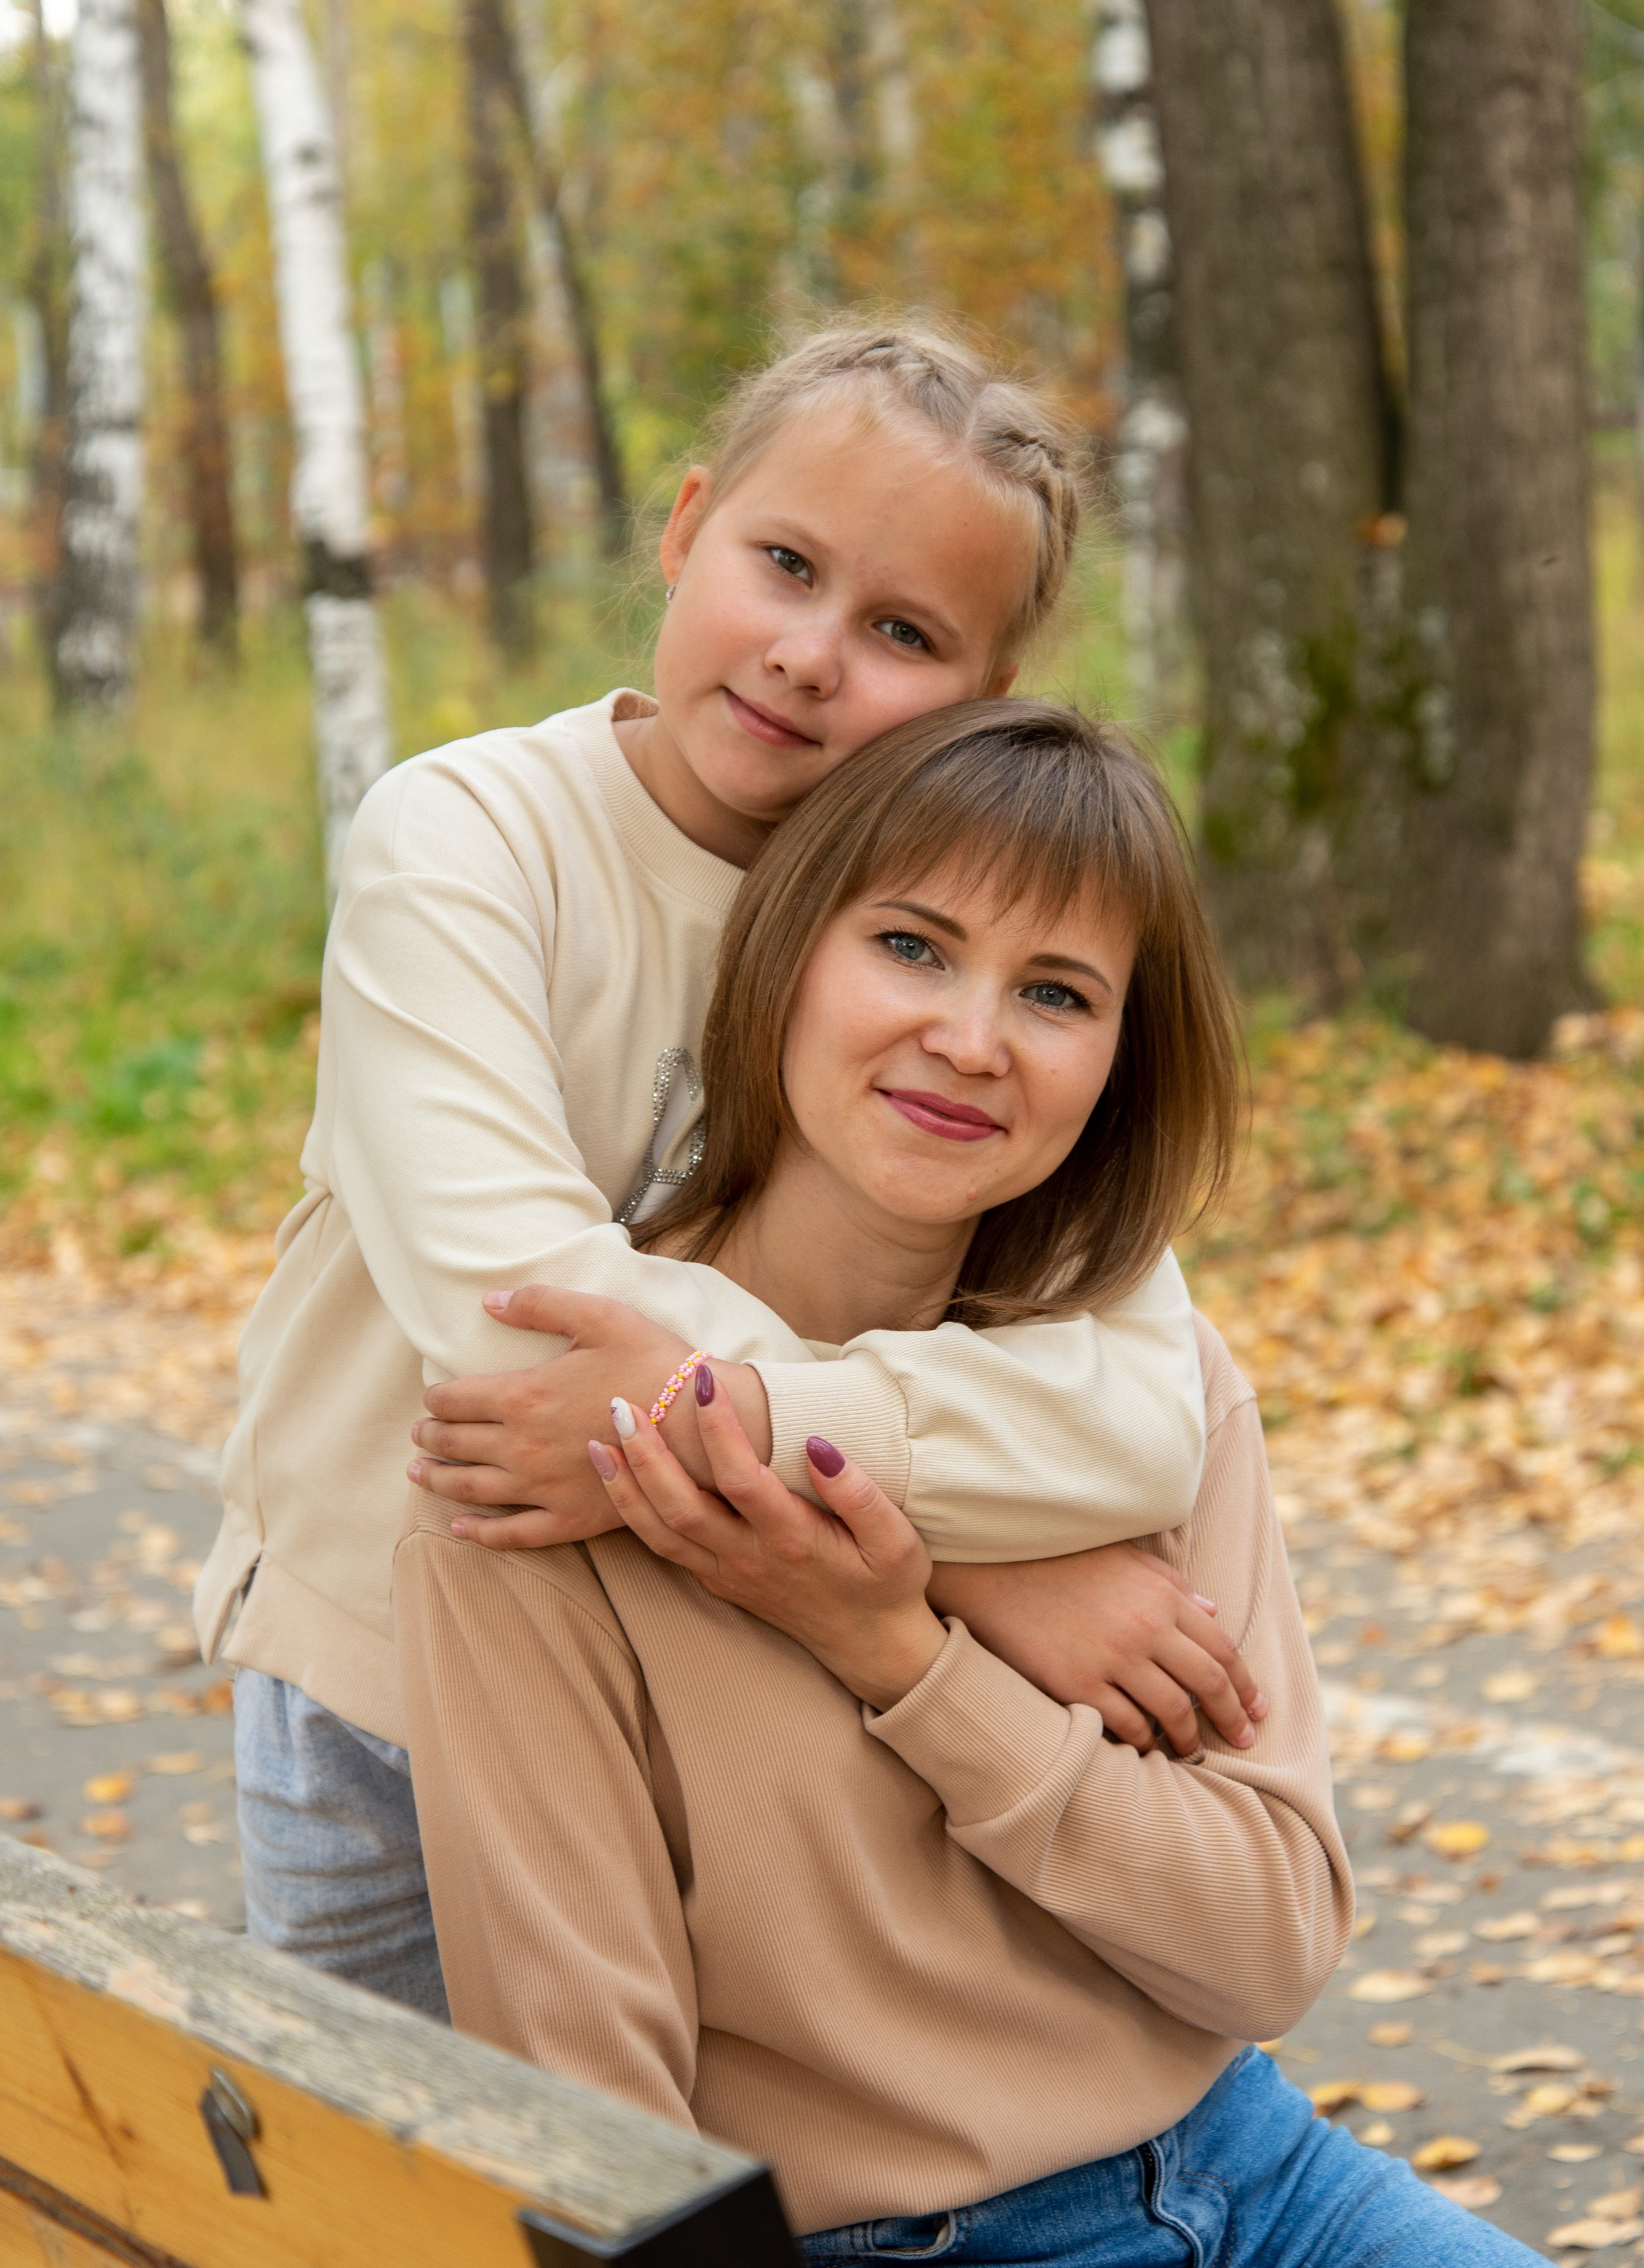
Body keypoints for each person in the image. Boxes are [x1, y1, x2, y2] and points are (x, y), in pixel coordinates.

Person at [397, 704, 1544, 2267]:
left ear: (1114, 1067)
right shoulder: (552, 1453)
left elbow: (1267, 1942)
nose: (972, 1037)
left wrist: (905, 1653)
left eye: (1056, 992)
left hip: (1255, 2180)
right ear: (786, 952)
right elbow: (589, 2110)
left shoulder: (1138, 1386)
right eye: (913, 947)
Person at [197, 322, 1224, 2022]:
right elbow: (517, 1339)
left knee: (690, 2174)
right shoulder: (468, 841)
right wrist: (965, 1560)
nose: (812, 655)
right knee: (398, 2178)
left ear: (984, 700)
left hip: (721, 1676)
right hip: (382, 1666)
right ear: (684, 533)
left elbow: (1139, 1405)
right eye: (785, 564)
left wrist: (793, 1500)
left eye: (903, 631)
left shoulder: (935, 943)